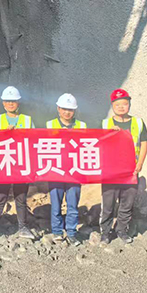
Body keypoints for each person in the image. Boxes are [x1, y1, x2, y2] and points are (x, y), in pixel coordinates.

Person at [0, 86, 36, 246]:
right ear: (3, 103)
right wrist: (3, 133)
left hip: (21, 164)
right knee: (0, 197)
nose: (11, 103)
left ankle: (23, 227)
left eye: (13, 101)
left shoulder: (27, 120)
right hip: (4, 164)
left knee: (21, 198)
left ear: (18, 102)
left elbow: (35, 140)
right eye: (7, 101)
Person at [100, 88, 147, 245]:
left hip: (131, 171)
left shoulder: (138, 123)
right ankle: (105, 232)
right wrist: (109, 133)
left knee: (127, 203)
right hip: (110, 172)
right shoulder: (105, 123)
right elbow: (98, 145)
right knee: (108, 204)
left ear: (129, 104)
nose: (121, 107)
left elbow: (144, 143)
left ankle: (121, 230)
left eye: (124, 103)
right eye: (117, 104)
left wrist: (140, 163)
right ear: (112, 105)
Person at [46, 94, 87, 246]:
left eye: (70, 109)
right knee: (56, 204)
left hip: (74, 171)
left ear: (74, 111)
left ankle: (71, 232)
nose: (67, 112)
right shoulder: (49, 124)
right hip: (56, 170)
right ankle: (57, 231)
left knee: (72, 204)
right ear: (58, 109)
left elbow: (86, 145)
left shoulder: (82, 126)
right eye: (64, 109)